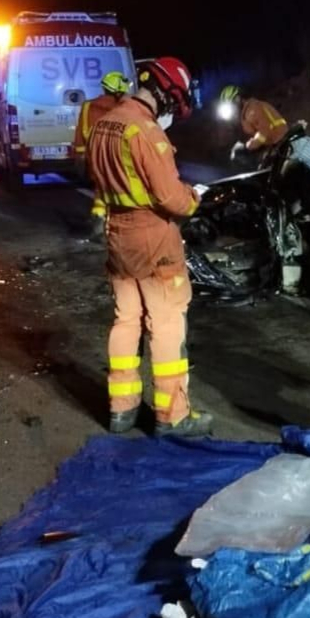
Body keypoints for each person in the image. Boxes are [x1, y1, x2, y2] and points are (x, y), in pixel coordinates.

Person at [84, 57, 213, 437]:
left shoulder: (104, 124)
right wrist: (194, 199)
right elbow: (173, 198)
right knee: (167, 324)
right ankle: (171, 416)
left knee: (126, 321)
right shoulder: (145, 131)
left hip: (118, 234)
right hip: (153, 238)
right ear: (167, 94)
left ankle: (121, 409)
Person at [75, 70, 132, 224]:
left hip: (95, 157)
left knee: (101, 188)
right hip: (119, 155)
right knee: (121, 189)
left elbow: (80, 133)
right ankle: (118, 220)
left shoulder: (88, 106)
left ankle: (99, 218)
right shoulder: (124, 108)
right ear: (119, 90)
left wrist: (80, 156)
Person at [216, 85, 289, 160]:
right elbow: (256, 135)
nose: (232, 108)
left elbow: (264, 131)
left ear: (237, 99)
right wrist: (243, 145)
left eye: (231, 104)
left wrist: (248, 146)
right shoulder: (245, 115)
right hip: (275, 144)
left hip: (282, 140)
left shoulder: (252, 109)